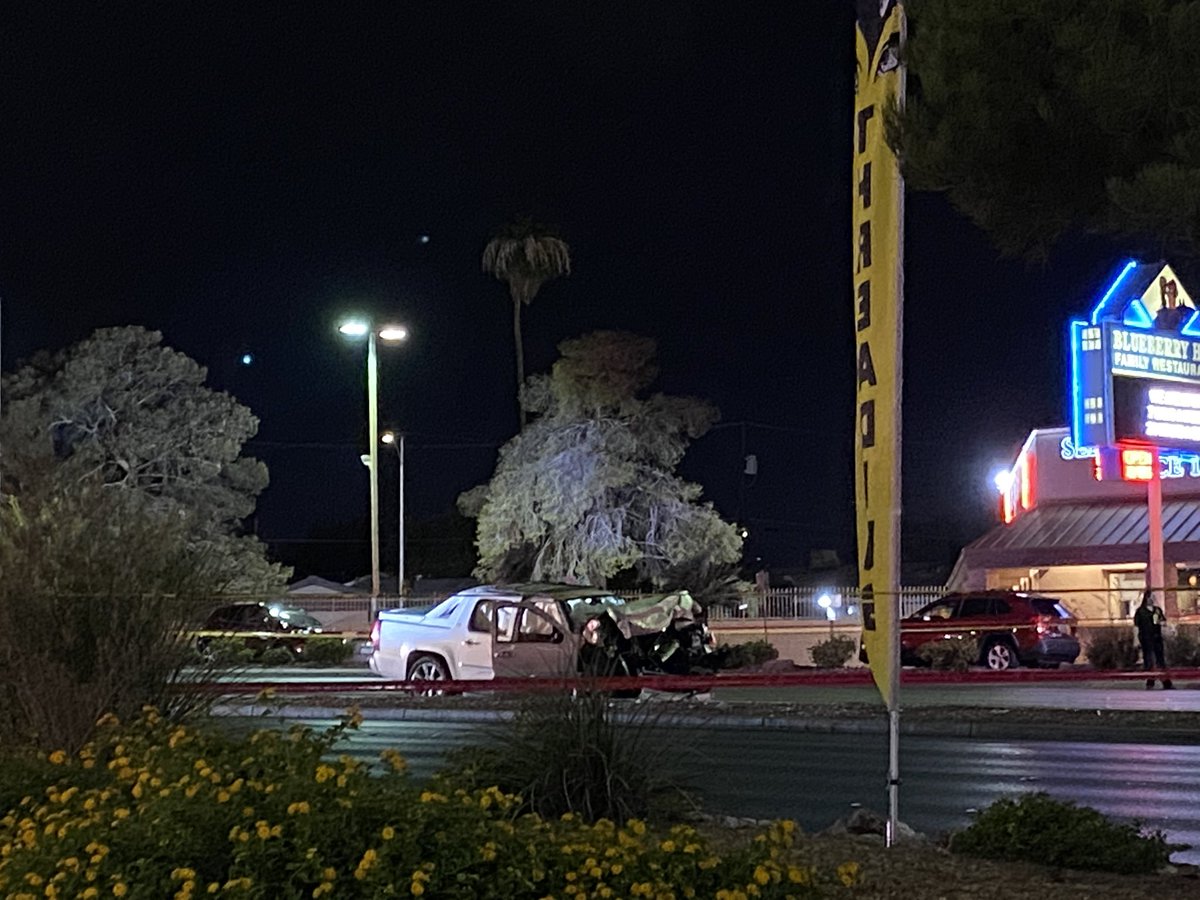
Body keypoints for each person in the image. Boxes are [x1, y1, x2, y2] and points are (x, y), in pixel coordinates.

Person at [1134, 590, 1174, 689]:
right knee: (1149, 660)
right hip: (1146, 639)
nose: (1152, 599)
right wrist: (1136, 640)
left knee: (1161, 661)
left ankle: (1166, 683)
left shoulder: (1157, 610)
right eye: (1150, 597)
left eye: (1153, 597)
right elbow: (1136, 626)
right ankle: (1150, 682)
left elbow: (1162, 621)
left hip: (1157, 638)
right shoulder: (1140, 611)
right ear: (1146, 598)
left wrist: (1163, 625)